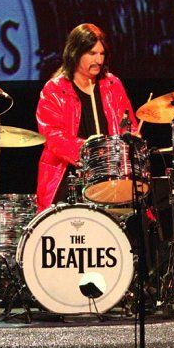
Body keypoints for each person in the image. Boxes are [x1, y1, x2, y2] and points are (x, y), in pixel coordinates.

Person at [35, 23, 136, 212]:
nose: (99, 60)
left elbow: (129, 126)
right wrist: (89, 149)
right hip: (68, 176)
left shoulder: (113, 85)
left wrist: (131, 138)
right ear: (75, 53)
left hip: (110, 174)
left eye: (102, 53)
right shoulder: (54, 90)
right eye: (92, 53)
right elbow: (52, 137)